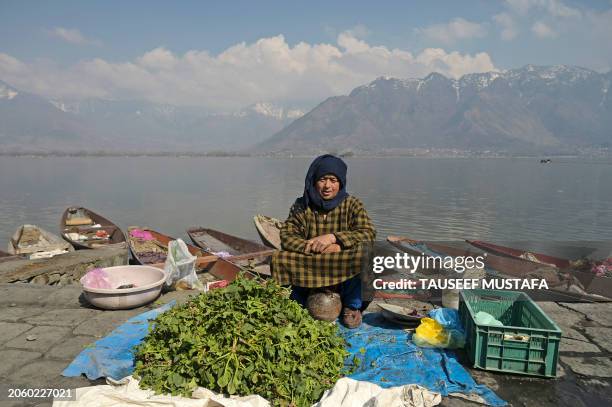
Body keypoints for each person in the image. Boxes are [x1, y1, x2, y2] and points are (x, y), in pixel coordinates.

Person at [271, 154, 376, 328]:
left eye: (333, 180)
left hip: (340, 261)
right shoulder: (301, 205)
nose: (327, 186)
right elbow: (286, 237)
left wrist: (335, 240)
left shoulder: (352, 204)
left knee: (365, 255)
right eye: (322, 180)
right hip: (312, 261)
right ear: (313, 181)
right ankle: (297, 303)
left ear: (340, 183)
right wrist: (313, 246)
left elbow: (369, 233)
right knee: (279, 258)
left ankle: (351, 307)